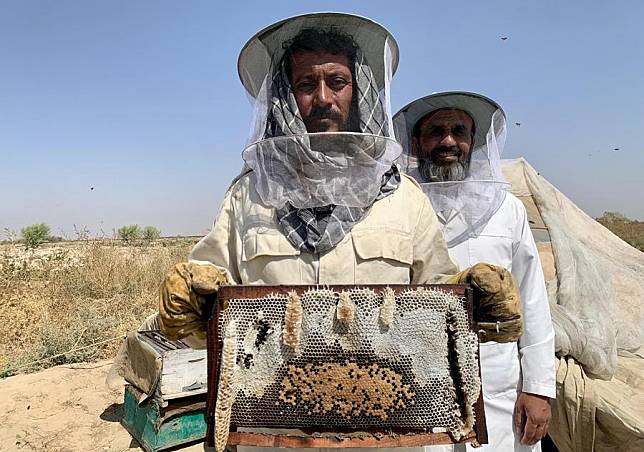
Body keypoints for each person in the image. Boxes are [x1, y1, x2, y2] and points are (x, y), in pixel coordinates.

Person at [158, 15, 522, 452]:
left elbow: (440, 300)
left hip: (387, 434)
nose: (324, 98)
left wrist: (478, 304)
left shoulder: (403, 196)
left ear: (361, 89)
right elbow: (211, 320)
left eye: (337, 81)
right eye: (306, 84)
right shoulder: (248, 196)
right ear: (284, 96)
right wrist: (188, 306)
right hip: (272, 436)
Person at [394, 91, 556, 452]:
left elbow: (533, 302)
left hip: (499, 391)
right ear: (417, 142)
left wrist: (539, 389)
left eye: (458, 131)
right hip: (419, 389)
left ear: (473, 140)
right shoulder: (394, 209)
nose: (448, 141)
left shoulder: (507, 210)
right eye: (436, 131)